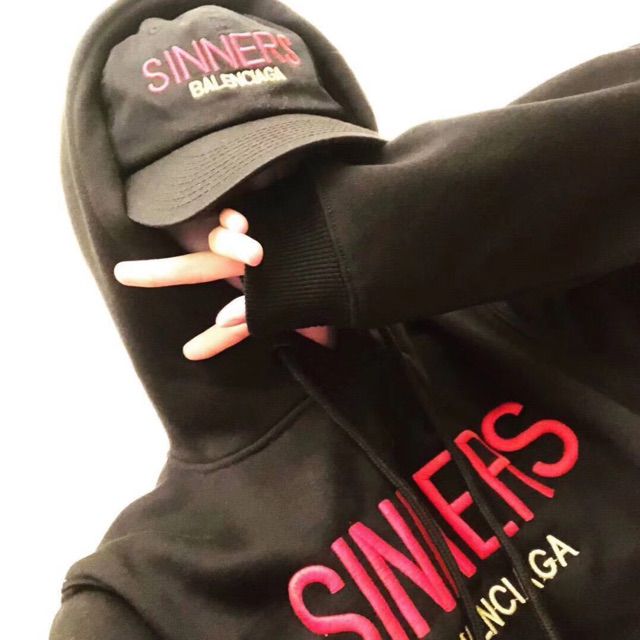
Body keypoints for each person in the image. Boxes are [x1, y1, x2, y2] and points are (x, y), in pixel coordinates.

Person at [52, 1, 640, 639]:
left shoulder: (527, 317)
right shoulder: (148, 599)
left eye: (303, 169)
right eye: (211, 194)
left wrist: (351, 240)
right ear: (134, 235)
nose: (257, 220)